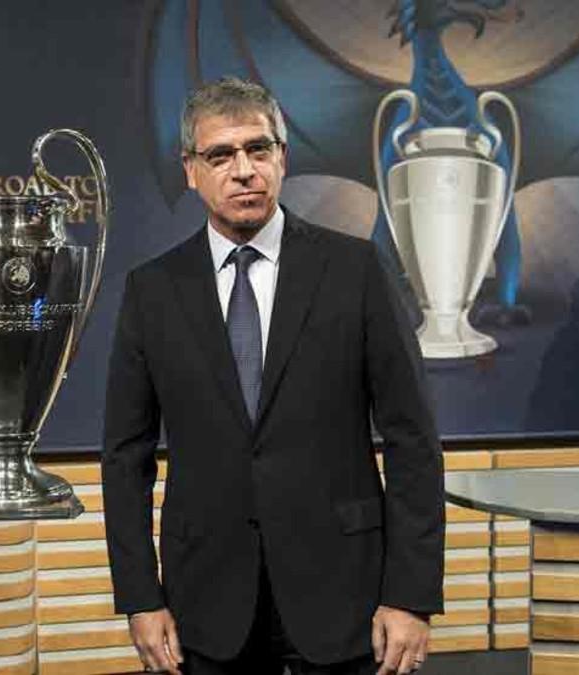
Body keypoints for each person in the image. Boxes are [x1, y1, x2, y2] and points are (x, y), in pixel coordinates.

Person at [102, 76, 445, 675]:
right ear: (191, 170)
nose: (243, 170)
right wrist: (139, 596)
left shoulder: (355, 269)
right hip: (204, 600)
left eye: (259, 150)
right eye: (220, 155)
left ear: (282, 159)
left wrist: (410, 596)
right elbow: (125, 456)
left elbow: (413, 439)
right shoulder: (151, 291)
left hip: (346, 596)